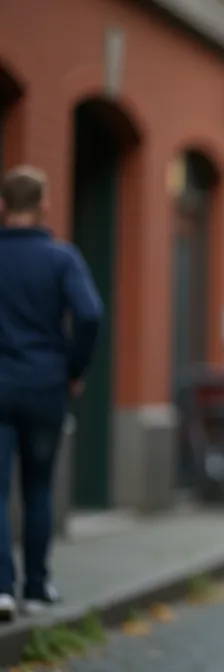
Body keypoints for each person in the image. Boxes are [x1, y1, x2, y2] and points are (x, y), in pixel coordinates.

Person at [0, 166, 103, 620]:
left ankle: (1, 590)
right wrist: (74, 367)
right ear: (44, 205)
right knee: (38, 487)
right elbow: (90, 313)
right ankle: (38, 588)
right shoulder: (62, 258)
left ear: (3, 206)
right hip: (45, 386)